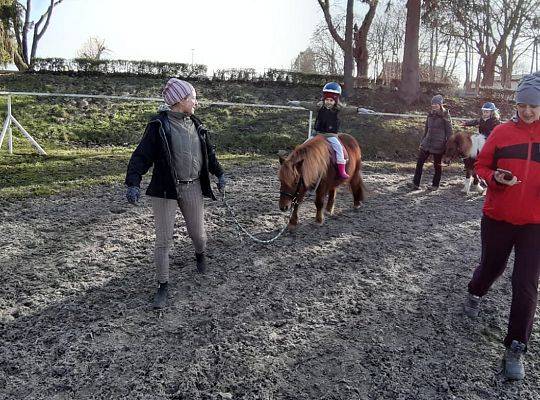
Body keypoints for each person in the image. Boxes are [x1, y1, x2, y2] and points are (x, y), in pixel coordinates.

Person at [463, 72, 540, 380]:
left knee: (525, 284)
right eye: (523, 104)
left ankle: (516, 347)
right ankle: (475, 290)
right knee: (492, 267)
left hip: (535, 224)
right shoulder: (502, 133)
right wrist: (494, 177)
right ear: (516, 104)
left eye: (534, 106)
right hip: (497, 217)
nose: (528, 111)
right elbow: (481, 166)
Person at [125, 78, 226, 309]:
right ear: (180, 101)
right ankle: (163, 285)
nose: (196, 103)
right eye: (193, 98)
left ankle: (200, 254)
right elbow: (141, 155)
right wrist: (133, 182)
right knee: (163, 240)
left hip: (192, 187)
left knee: (198, 235)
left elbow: (209, 156)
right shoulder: (158, 125)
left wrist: (219, 173)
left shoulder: (197, 125)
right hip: (165, 189)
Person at [288, 82, 359, 180]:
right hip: (317, 134)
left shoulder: (339, 110)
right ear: (324, 99)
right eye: (327, 100)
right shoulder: (319, 108)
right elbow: (307, 105)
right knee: (303, 147)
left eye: (331, 100)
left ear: (336, 101)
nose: (329, 102)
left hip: (331, 135)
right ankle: (295, 165)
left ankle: (341, 170)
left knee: (338, 148)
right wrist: (295, 102)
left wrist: (360, 110)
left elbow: (351, 110)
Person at [408, 94, 453, 190]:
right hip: (427, 143)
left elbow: (449, 132)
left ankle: (435, 185)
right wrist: (422, 141)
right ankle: (415, 184)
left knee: (437, 165)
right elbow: (426, 129)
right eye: (432, 104)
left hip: (439, 144)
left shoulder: (446, 115)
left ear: (440, 104)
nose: (434, 106)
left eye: (436, 104)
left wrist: (448, 146)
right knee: (419, 163)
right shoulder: (430, 114)